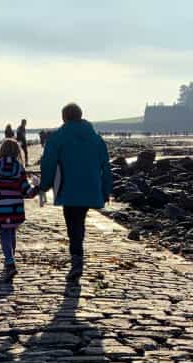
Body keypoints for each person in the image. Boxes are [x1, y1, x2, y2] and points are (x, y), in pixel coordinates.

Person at [38, 102, 112, 282]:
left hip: (68, 188)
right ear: (81, 115)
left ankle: (77, 261)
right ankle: (77, 258)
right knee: (79, 222)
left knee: (73, 224)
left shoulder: (58, 137)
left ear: (64, 117)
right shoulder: (96, 138)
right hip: (90, 187)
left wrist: (44, 185)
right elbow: (106, 166)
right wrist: (106, 189)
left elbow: (48, 163)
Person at [0, 138, 38, 281]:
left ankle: (9, 262)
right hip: (15, 209)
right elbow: (27, 191)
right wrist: (37, 188)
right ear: (17, 152)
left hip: (1, 209)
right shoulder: (19, 169)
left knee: (4, 234)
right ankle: (10, 260)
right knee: (12, 232)